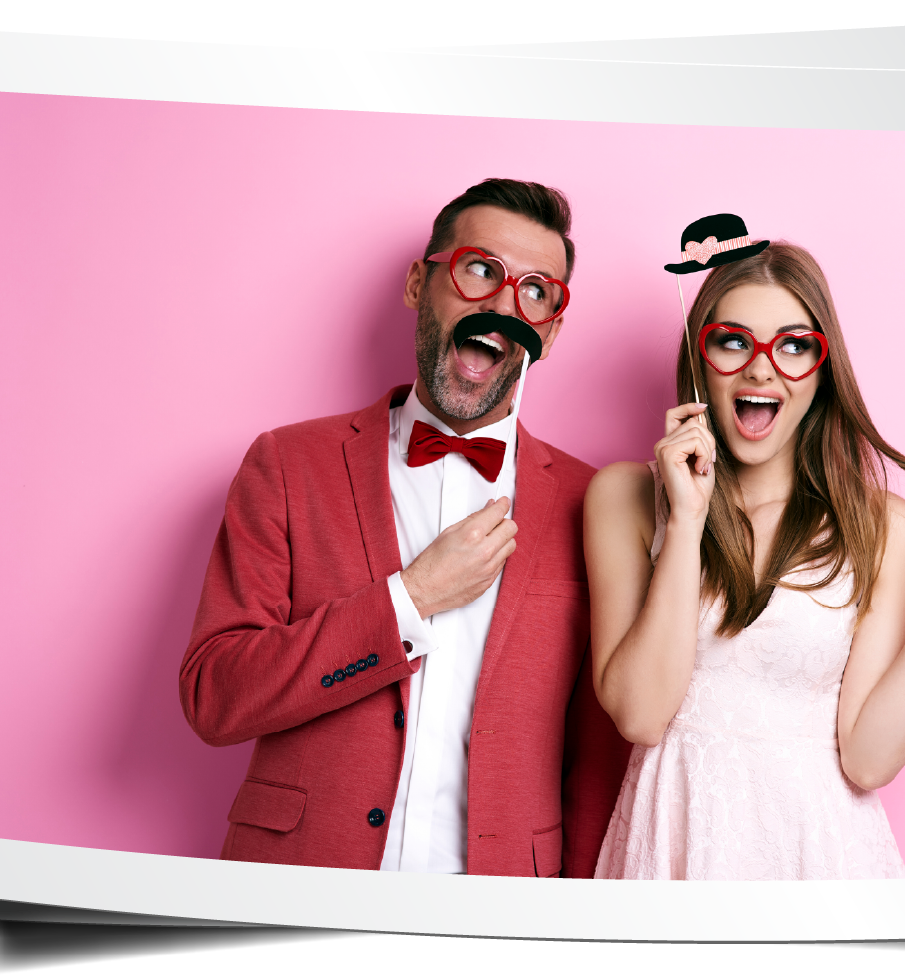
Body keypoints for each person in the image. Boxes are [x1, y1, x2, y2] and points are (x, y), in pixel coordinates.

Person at [180, 178, 630, 877]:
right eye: (480, 269)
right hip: (301, 881)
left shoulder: (592, 502)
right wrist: (407, 600)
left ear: (550, 330)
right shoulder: (289, 464)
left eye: (536, 291)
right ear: (420, 282)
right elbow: (217, 696)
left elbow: (596, 763)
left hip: (498, 914)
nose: (503, 305)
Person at [584, 238, 905, 880]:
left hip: (818, 856)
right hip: (673, 848)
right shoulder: (623, 497)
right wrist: (684, 520)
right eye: (734, 341)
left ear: (822, 372)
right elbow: (641, 716)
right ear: (700, 358)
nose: (762, 371)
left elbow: (868, 760)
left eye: (794, 347)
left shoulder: (880, 527)